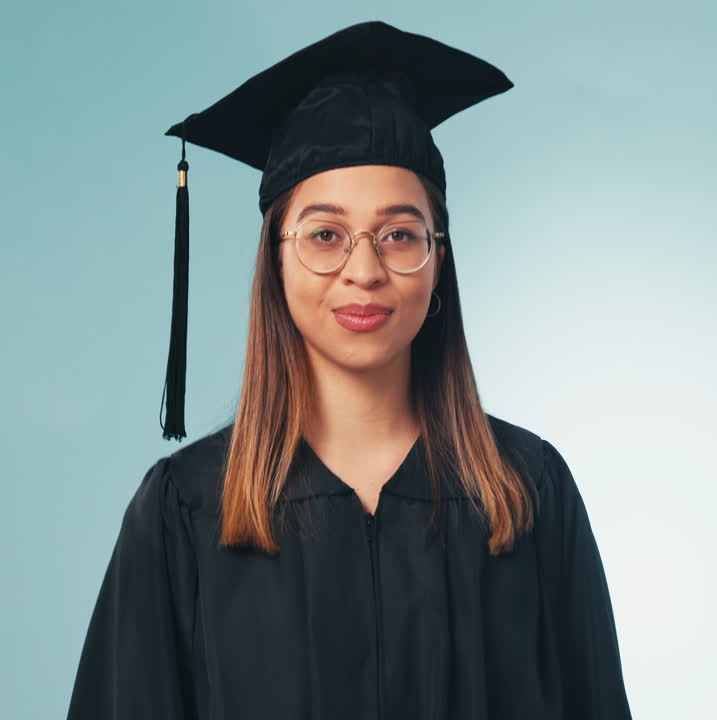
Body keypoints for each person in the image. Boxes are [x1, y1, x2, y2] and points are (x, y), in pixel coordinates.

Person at [66, 21, 632, 719]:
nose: (364, 271)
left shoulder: (528, 492)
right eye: (325, 235)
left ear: (439, 258)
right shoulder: (185, 511)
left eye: (399, 234)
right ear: (275, 258)